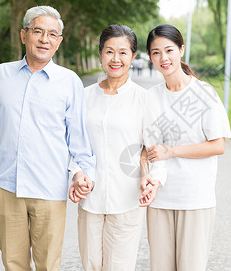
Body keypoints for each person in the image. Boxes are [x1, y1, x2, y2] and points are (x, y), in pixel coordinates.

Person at [0, 5, 95, 270]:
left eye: (52, 34)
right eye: (38, 31)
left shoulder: (69, 81)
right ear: (23, 35)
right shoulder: (1, 74)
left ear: (59, 42)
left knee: (48, 264)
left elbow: (79, 139)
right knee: (13, 262)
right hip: (7, 185)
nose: (44, 39)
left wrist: (83, 173)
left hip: (50, 189)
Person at [68, 24, 166, 271]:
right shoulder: (84, 96)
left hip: (127, 200)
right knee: (90, 265)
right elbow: (72, 144)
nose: (116, 59)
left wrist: (153, 180)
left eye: (123, 52)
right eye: (109, 51)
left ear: (133, 56)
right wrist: (75, 173)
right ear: (100, 53)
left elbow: (155, 151)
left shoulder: (144, 99)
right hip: (90, 199)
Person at [143, 24, 231, 271]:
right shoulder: (151, 97)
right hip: (160, 199)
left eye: (169, 50)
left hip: (195, 198)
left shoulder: (203, 93)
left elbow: (218, 145)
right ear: (150, 57)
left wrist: (172, 150)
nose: (163, 58)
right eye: (156, 52)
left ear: (181, 50)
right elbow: (145, 147)